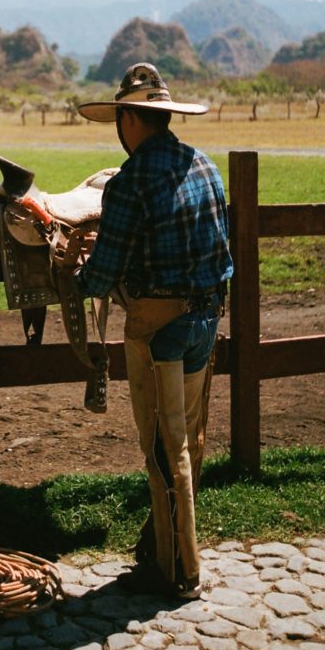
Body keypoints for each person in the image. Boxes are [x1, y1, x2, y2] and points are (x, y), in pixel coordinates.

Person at [74, 62, 233, 598]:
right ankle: (163, 545)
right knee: (189, 437)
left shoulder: (129, 182)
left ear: (128, 119)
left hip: (159, 327)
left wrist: (78, 278)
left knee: (165, 451)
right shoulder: (205, 166)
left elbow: (103, 272)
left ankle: (176, 569)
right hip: (206, 318)